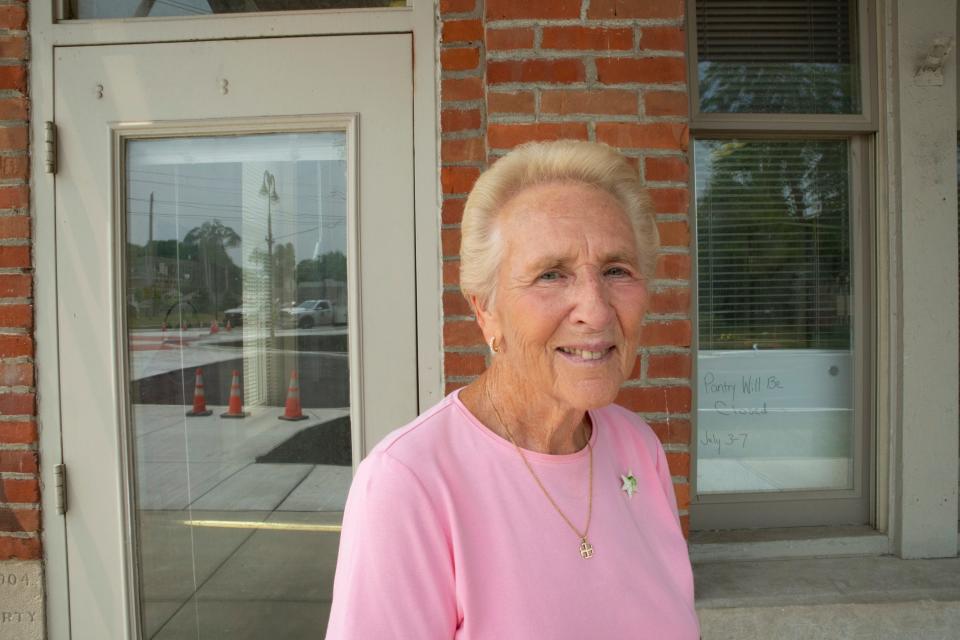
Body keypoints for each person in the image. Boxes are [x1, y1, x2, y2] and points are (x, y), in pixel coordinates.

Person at [325, 140, 700, 639]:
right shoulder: (409, 483)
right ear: (486, 311)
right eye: (551, 275)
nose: (597, 308)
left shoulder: (638, 447)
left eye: (616, 270)